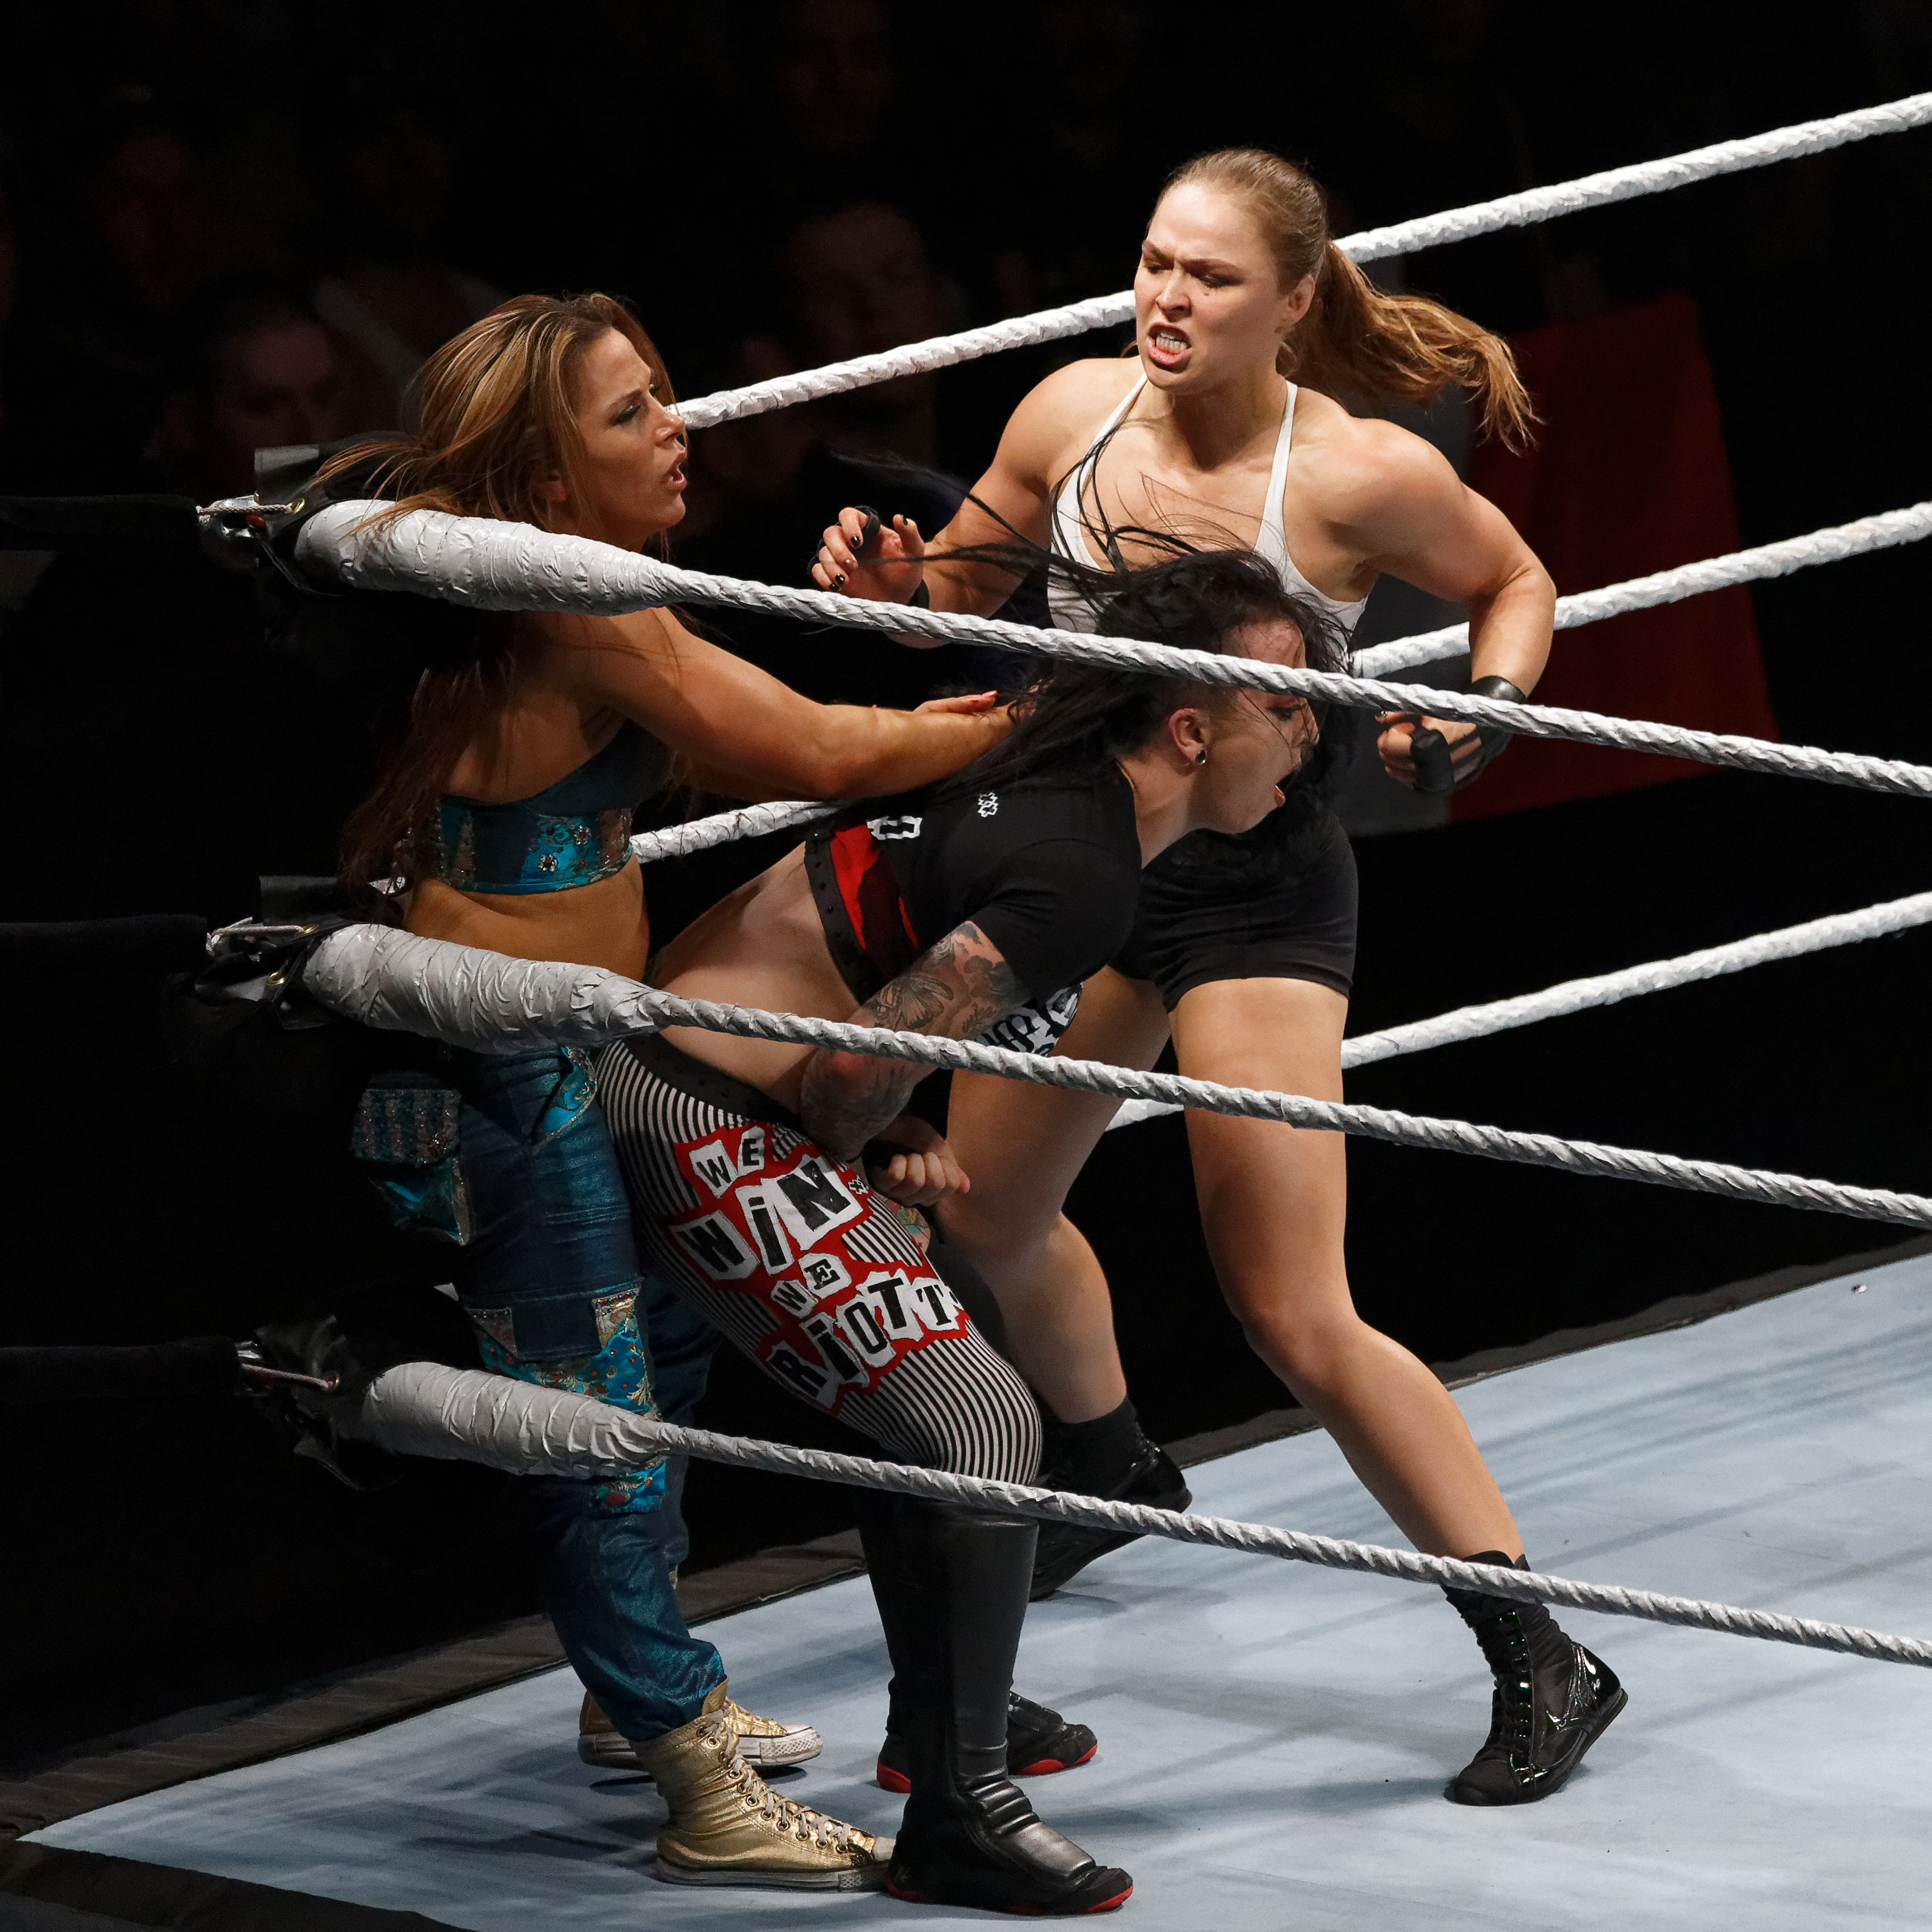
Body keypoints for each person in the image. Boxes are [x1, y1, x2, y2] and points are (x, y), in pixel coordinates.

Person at [813, 148, 1626, 1808]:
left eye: (1208, 277)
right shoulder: (1066, 415)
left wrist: (1480, 705)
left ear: (1295, 300)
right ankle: (1113, 1467)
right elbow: (952, 610)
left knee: (1289, 1308)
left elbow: (1515, 581)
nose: (1165, 299)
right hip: (1086, 881)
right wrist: (895, 594)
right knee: (980, 1213)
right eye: (1153, 264)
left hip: (1253, 894)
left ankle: (1541, 1647)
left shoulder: (1352, 472)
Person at [322, 291, 1013, 1891]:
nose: (677, 429)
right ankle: (690, 1769)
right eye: (631, 414)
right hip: (500, 1067)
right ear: (550, 484)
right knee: (604, 1423)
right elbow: (819, 750)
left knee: (679, 1337)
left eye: (665, 394)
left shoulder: (557, 588)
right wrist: (1018, 714)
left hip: (570, 1045)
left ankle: (618, 1694)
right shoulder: (567, 604)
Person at [598, 548, 1329, 1912]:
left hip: (697, 1075)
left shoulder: (1055, 780)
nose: (1310, 727)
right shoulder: (1084, 873)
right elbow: (844, 1071)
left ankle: (934, 1730)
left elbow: (850, 1042)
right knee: (983, 1420)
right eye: (1286, 701)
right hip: (694, 1110)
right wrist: (867, 1132)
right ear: (1190, 724)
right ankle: (962, 1810)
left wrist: (874, 1130)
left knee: (955, 1337)